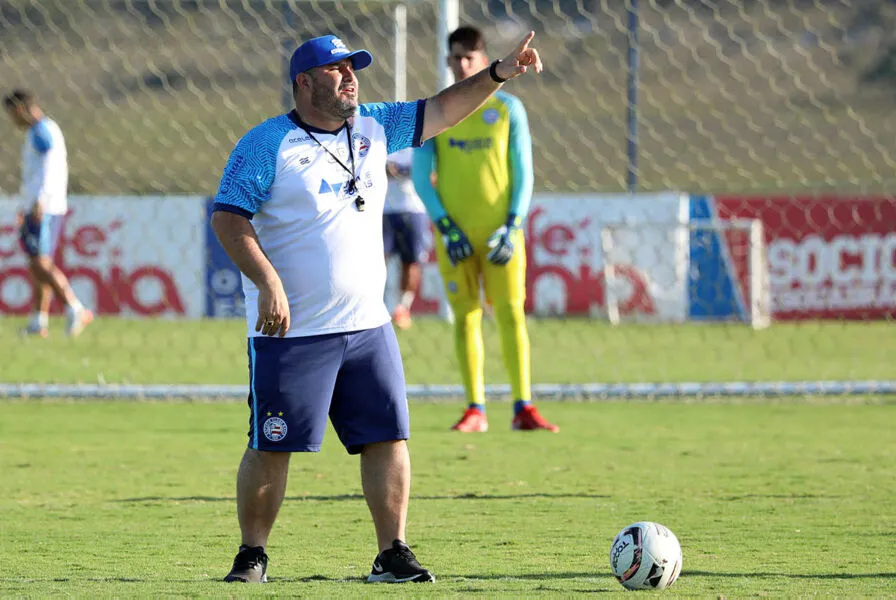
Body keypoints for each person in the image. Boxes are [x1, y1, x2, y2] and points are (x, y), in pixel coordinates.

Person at [210, 31, 543, 584]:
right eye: (337, 70)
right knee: (272, 445)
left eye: (353, 68)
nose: (350, 78)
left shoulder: (374, 126)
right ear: (304, 82)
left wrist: (499, 74)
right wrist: (266, 280)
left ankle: (392, 552)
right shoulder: (266, 143)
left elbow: (443, 109)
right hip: (293, 332)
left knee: (389, 437)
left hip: (368, 327)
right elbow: (228, 219)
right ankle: (252, 556)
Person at [412, 26, 558, 434]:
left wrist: (512, 227)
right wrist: (446, 228)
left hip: (500, 235)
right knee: (465, 318)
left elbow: (523, 173)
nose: (463, 64)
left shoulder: (508, 109)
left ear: (483, 59)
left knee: (511, 314)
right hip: (455, 236)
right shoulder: (436, 112)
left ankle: (523, 406)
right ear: (447, 60)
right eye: (456, 56)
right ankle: (475, 407)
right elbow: (424, 178)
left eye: (470, 57)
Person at [3, 90, 93, 338]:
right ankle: (38, 322)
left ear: (20, 110)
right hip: (43, 205)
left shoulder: (41, 131)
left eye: (12, 115)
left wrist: (39, 201)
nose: (13, 122)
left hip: (45, 206)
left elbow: (48, 168)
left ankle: (75, 308)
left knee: (39, 262)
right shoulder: (42, 130)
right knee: (38, 264)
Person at [382, 147, 429, 330]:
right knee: (379, 260)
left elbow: (431, 175)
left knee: (411, 262)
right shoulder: (382, 139)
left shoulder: (420, 144)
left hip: (414, 209)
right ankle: (382, 306)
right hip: (384, 210)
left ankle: (402, 308)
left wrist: (405, 172)